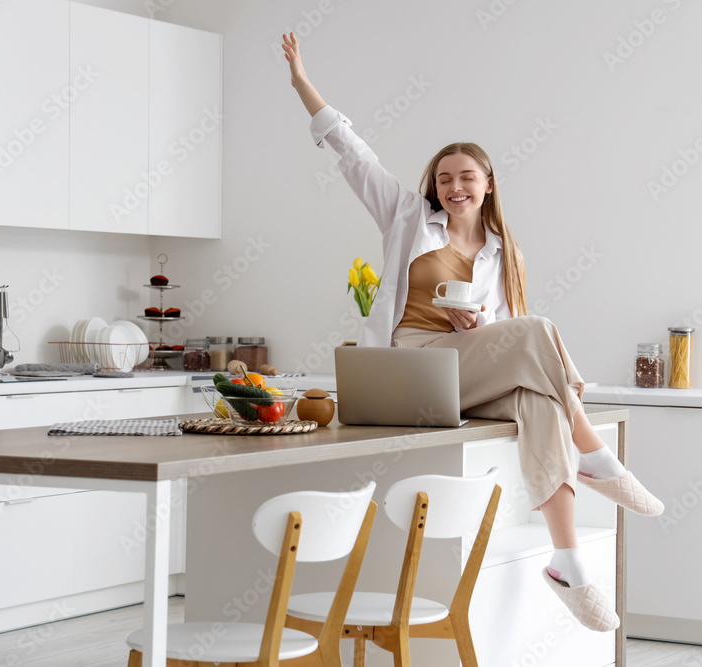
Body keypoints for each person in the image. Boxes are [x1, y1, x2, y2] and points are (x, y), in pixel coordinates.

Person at [282, 32, 663, 632]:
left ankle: (567, 563)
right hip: (410, 366)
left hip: (463, 367)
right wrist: (303, 80)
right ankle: (592, 453)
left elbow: (509, 334)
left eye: (465, 177)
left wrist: (477, 323)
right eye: (443, 179)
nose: (452, 187)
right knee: (543, 335)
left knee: (538, 399)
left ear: (488, 184)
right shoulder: (406, 217)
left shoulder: (502, 250)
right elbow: (351, 152)